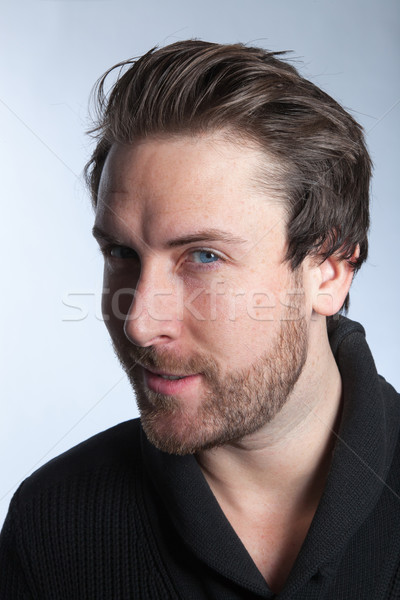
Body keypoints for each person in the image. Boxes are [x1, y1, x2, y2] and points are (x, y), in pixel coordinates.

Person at [0, 40, 399, 600]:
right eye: (121, 254)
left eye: (204, 257)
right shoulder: (53, 524)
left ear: (330, 271)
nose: (139, 322)